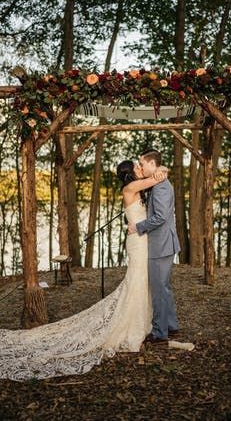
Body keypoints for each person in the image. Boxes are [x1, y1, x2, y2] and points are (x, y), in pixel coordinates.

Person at [0, 160, 167, 381]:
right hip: (137, 242)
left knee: (141, 281)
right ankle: (130, 325)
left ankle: (142, 321)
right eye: (136, 168)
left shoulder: (136, 188)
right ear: (129, 174)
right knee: (136, 280)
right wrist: (161, 170)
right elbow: (156, 178)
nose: (139, 169)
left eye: (140, 166)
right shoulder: (130, 188)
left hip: (142, 239)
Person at [128, 149, 180, 345]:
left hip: (161, 244)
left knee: (159, 290)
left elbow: (160, 217)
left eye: (142, 164)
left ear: (152, 164)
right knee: (164, 288)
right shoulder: (157, 183)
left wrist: (138, 227)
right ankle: (171, 325)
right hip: (162, 243)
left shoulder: (161, 187)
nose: (140, 167)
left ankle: (159, 332)